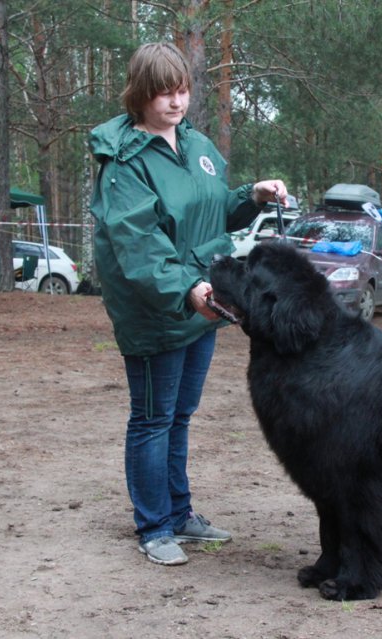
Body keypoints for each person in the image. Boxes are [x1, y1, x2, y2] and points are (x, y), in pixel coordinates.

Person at [89, 42, 288, 566]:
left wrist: (254, 195)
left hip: (203, 303)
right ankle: (154, 527)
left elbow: (215, 209)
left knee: (180, 415)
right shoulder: (123, 162)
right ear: (140, 93)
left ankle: (179, 513)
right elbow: (138, 244)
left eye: (182, 90)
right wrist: (186, 289)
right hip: (158, 307)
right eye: (163, 93)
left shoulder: (195, 144)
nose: (176, 102)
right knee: (153, 418)